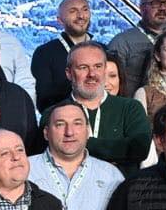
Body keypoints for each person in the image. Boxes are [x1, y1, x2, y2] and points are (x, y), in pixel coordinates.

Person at [65, 41, 151, 176]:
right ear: (69, 73)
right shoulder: (54, 113)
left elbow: (139, 149)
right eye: (83, 67)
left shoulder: (130, 108)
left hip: (122, 187)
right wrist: (118, 150)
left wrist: (81, 145)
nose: (92, 74)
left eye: (98, 66)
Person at [31, 0, 93, 112]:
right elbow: (43, 103)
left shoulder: (103, 50)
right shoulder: (44, 54)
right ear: (60, 20)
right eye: (73, 11)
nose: (81, 16)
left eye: (85, 10)